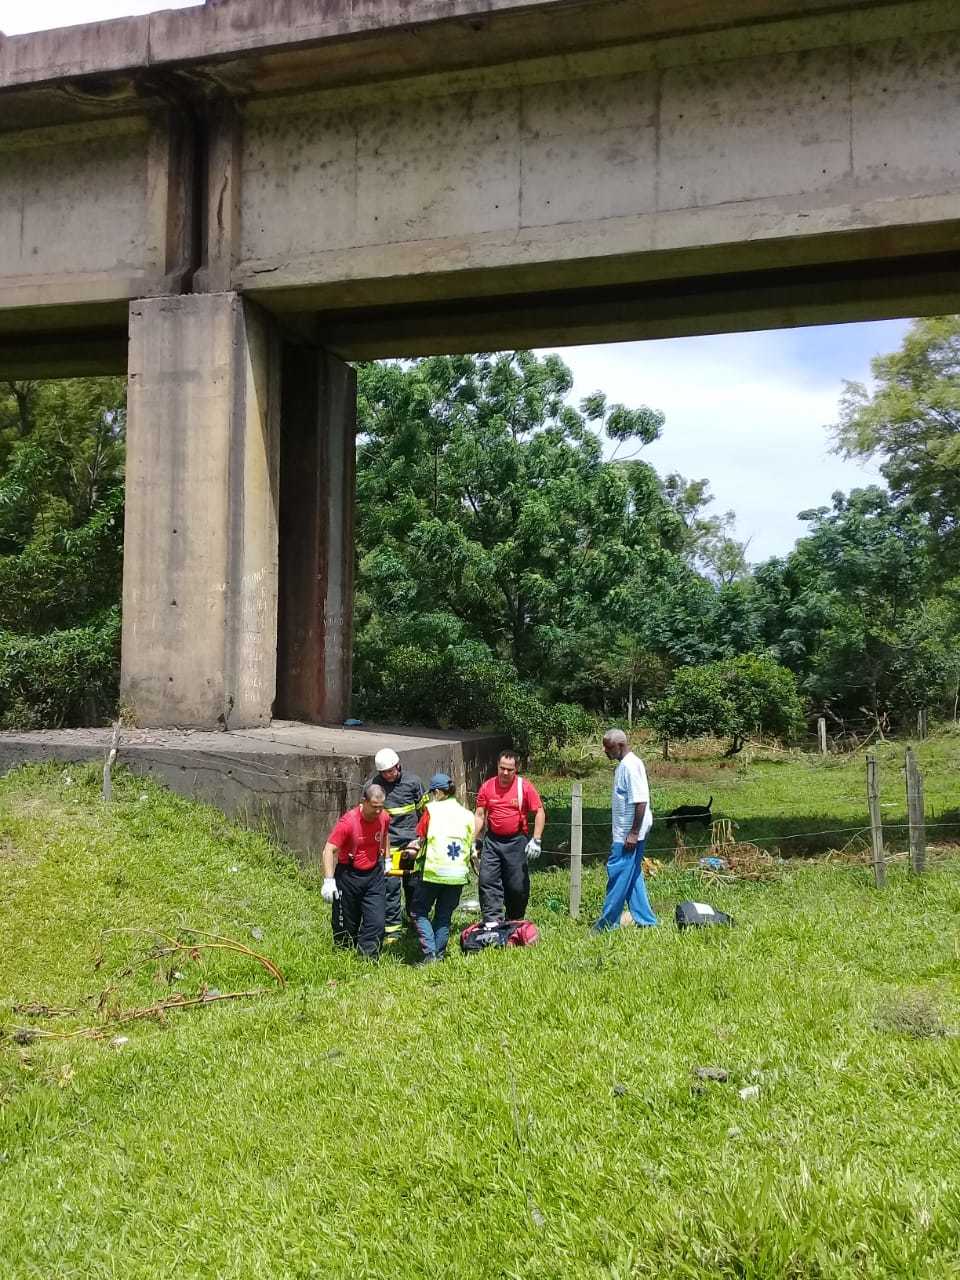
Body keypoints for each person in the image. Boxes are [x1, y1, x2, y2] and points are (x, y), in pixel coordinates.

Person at [593, 728, 656, 931]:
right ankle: (647, 920)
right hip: (627, 833)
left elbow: (640, 801)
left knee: (617, 876)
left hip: (629, 836)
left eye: (608, 747)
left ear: (620, 745)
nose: (605, 751)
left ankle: (606, 924)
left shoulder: (631, 766)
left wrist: (633, 833)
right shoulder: (625, 765)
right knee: (632, 876)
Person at [408, 772, 475, 962]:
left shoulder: (432, 810)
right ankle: (439, 954)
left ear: (438, 792)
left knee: (419, 911)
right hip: (458, 874)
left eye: (432, 793)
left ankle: (429, 953)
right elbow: (470, 843)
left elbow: (421, 836)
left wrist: (414, 847)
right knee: (444, 915)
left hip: (435, 872)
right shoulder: (467, 814)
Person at [474, 750, 545, 923]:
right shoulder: (487, 786)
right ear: (497, 767)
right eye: (502, 768)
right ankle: (492, 922)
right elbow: (480, 814)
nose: (505, 773)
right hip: (492, 841)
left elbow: (539, 811)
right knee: (487, 880)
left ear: (516, 769)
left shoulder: (524, 787)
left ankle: (514, 919)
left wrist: (536, 839)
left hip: (516, 841)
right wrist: (474, 841)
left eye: (510, 770)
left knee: (517, 885)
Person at [320, 783, 390, 958]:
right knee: (346, 924)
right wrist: (328, 881)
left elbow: (386, 835)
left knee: (377, 921)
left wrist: (387, 859)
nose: (377, 812)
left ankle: (368, 957)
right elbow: (329, 850)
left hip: (374, 875)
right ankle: (343, 956)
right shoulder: (348, 822)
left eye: (381, 807)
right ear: (364, 802)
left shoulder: (384, 817)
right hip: (348, 875)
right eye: (374, 807)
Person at [366, 747, 425, 945]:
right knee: (390, 889)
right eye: (385, 772)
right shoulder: (373, 786)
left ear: (398, 765)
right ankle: (393, 931)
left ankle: (416, 922)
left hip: (410, 845)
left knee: (413, 886)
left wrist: (421, 840)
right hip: (388, 848)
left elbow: (424, 813)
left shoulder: (413, 783)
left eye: (391, 770)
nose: (389, 775)